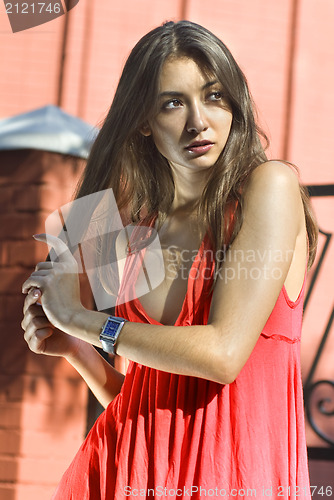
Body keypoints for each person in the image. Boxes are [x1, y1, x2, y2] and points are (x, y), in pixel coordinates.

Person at [22, 20, 317, 499]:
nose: (198, 120)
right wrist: (73, 349)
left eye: (215, 96)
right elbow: (146, 403)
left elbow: (222, 356)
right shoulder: (128, 228)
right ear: (143, 120)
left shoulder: (269, 187)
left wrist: (80, 320)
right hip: (120, 477)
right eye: (172, 103)